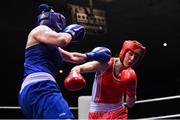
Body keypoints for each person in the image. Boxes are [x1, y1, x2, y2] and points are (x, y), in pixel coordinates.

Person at [18, 4, 111, 119]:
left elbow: (72, 57)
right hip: (41, 87)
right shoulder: (40, 29)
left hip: (30, 91)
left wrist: (93, 55)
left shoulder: (51, 46)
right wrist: (71, 33)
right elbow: (63, 40)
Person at [64, 40, 146, 119]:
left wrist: (131, 92)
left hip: (118, 111)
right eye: (130, 54)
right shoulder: (106, 64)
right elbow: (78, 68)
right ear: (124, 52)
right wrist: (74, 73)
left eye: (136, 57)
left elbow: (130, 104)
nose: (132, 59)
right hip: (96, 112)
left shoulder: (132, 75)